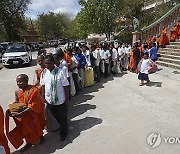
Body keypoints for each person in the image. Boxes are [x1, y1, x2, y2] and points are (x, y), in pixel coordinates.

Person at [6, 74, 46, 152]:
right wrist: (12, 110)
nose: (18, 83)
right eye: (17, 82)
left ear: (26, 81)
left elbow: (33, 106)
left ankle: (41, 137)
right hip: (23, 114)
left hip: (32, 113)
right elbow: (17, 102)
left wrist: (20, 114)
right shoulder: (17, 91)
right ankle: (28, 143)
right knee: (25, 129)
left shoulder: (34, 90)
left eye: (20, 82)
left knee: (36, 127)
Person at [40, 54, 69, 142]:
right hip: (49, 100)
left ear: (53, 62)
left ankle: (63, 133)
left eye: (49, 63)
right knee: (55, 117)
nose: (47, 65)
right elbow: (43, 86)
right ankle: (60, 127)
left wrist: (67, 100)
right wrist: (43, 96)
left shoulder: (60, 72)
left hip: (60, 101)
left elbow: (66, 86)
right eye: (45, 63)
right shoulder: (44, 72)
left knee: (62, 118)